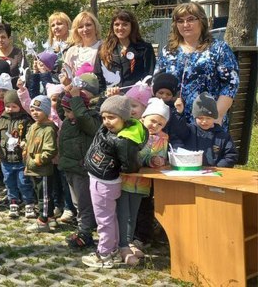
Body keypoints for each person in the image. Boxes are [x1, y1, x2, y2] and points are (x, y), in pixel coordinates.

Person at [81, 95, 146, 269]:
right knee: (110, 218)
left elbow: (130, 164)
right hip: (102, 178)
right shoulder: (113, 131)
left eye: (112, 117)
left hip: (103, 182)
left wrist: (116, 166)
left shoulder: (122, 140)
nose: (106, 121)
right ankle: (114, 249)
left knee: (104, 220)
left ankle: (104, 254)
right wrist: (106, 97)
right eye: (104, 117)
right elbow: (96, 111)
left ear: (124, 118)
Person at [155, 3, 239, 129]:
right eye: (180, 21)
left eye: (190, 19)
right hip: (172, 122)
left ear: (201, 21)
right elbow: (156, 82)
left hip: (207, 123)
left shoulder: (219, 49)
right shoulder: (168, 51)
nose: (185, 24)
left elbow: (231, 84)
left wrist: (216, 116)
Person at [118, 97, 170, 265]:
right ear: (143, 118)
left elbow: (158, 157)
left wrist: (158, 160)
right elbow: (131, 154)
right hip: (126, 179)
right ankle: (121, 244)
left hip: (142, 184)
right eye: (152, 121)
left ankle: (130, 243)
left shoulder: (162, 138)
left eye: (160, 124)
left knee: (134, 214)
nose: (155, 126)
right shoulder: (134, 131)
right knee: (123, 214)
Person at [58, 85, 100, 250]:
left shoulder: (89, 120)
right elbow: (63, 110)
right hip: (70, 167)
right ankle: (83, 230)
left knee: (84, 204)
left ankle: (85, 233)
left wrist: (75, 98)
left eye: (70, 111)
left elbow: (82, 116)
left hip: (81, 169)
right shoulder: (70, 119)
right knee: (77, 203)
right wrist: (66, 91)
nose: (66, 115)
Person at [0, 90, 35, 218]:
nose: (10, 109)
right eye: (8, 106)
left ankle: (29, 203)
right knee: (9, 182)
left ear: (20, 106)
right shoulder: (1, 119)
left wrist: (25, 142)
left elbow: (30, 134)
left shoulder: (25, 120)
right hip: (6, 159)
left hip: (20, 159)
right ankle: (13, 202)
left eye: (14, 106)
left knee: (23, 182)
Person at [171, 92, 238, 167]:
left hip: (214, 173)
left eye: (208, 118)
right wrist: (179, 113)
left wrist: (218, 168)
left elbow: (231, 155)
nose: (204, 121)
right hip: (191, 170)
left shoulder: (222, 136)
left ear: (214, 117)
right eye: (200, 118)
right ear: (195, 117)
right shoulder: (189, 130)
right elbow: (178, 130)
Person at [23, 95, 58, 232]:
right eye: (32, 110)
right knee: (39, 194)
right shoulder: (33, 126)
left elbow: (50, 150)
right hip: (32, 168)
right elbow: (29, 140)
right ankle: (49, 217)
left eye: (38, 110)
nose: (35, 113)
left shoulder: (48, 129)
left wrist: (37, 160)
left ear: (46, 111)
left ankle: (42, 222)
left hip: (42, 169)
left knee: (44, 196)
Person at [98, 10, 156, 90]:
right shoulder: (104, 49)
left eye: (125, 24)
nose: (120, 28)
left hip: (135, 97)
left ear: (132, 26)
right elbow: (98, 76)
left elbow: (149, 76)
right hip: (110, 97)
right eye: (117, 24)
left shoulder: (145, 49)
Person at [62, 11, 103, 83]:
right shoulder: (72, 51)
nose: (85, 29)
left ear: (95, 26)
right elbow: (65, 74)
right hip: (75, 90)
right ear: (76, 30)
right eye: (80, 27)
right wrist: (65, 80)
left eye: (88, 25)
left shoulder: (104, 47)